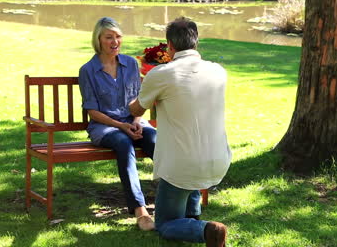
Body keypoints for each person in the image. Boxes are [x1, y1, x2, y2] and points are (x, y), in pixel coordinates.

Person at [129, 17, 231, 246]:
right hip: (217, 158)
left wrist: (133, 98)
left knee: (164, 223)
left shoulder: (162, 74)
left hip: (182, 165)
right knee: (189, 170)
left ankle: (206, 230)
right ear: (196, 42)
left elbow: (137, 108)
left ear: (170, 46)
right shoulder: (218, 71)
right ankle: (192, 218)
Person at [78, 17, 156, 231]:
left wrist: (137, 121)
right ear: (99, 40)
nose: (115, 42)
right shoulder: (88, 70)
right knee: (123, 143)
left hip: (133, 121)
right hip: (105, 127)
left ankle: (178, 196)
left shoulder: (130, 64)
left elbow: (140, 99)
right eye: (109, 37)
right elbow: (92, 111)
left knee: (155, 140)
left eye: (118, 37)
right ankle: (140, 210)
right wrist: (122, 126)